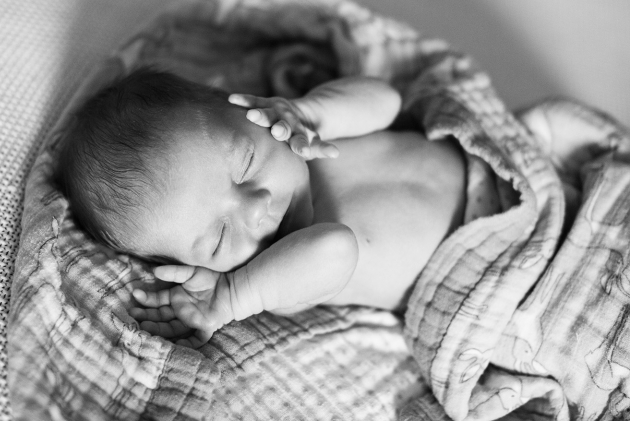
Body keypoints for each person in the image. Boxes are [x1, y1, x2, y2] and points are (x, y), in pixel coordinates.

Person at [55, 66, 468, 347]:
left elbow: (387, 101)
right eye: (219, 238)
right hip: (494, 262)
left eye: (245, 163)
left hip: (489, 165)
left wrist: (311, 111)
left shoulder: (301, 132)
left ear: (245, 110)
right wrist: (233, 297)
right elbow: (337, 246)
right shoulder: (279, 278)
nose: (256, 208)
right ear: (202, 266)